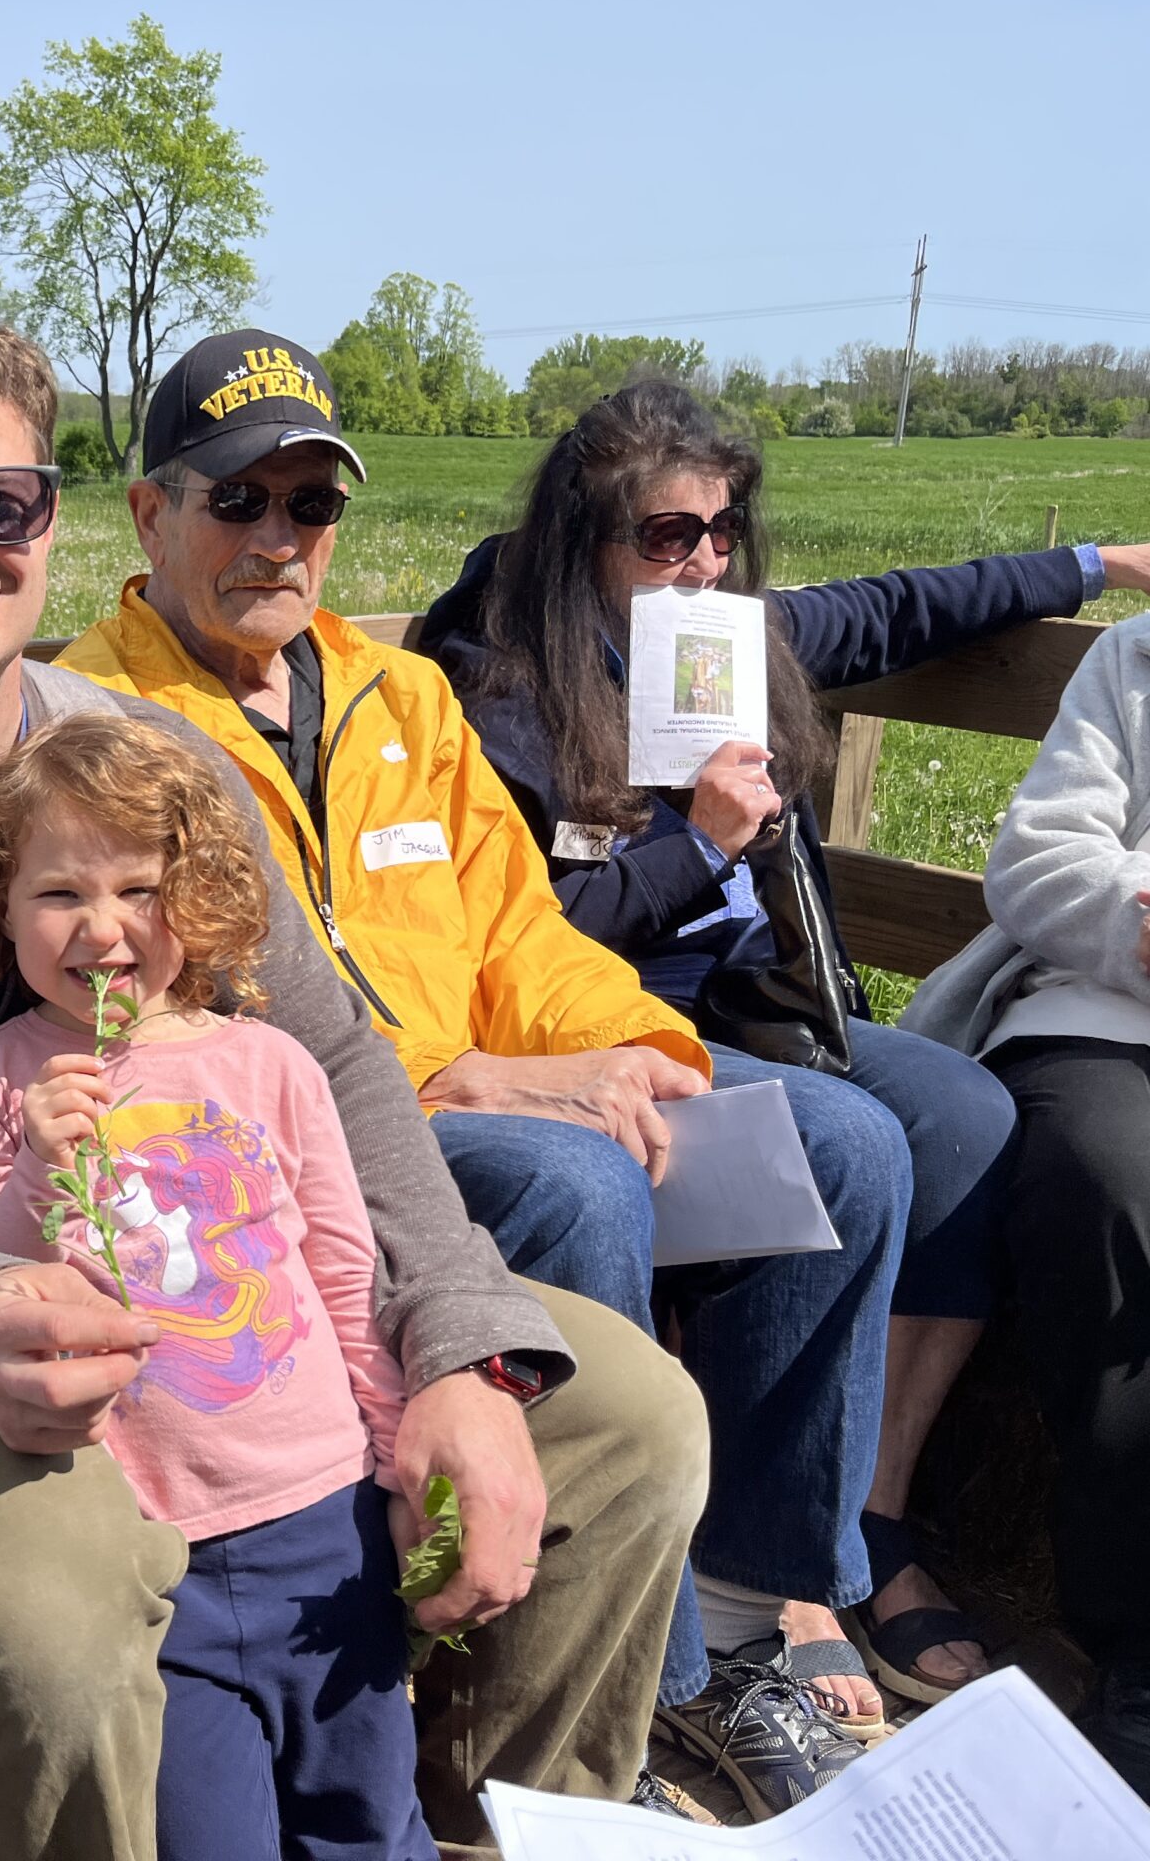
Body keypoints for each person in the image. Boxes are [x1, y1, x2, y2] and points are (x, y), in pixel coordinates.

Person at [0, 293, 708, 1861]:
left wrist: (457, 1338)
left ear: (52, 520)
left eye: (2, 501)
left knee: (633, 1427)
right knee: (45, 1619)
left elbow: (331, 1066)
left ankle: (463, 1824)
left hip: (225, 1278)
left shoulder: (153, 774)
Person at [58, 331, 900, 1817]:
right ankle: (632, 1694)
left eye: (309, 507)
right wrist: (471, 1085)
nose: (278, 538)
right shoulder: (102, 726)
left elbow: (517, 928)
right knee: (577, 1180)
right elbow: (201, 1029)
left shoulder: (400, 702)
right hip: (317, 1151)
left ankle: (745, 1614)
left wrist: (645, 1052)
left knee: (849, 1147)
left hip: (484, 1084)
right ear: (149, 515)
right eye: (236, 501)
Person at [418, 377, 1150, 1714]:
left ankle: (866, 1516)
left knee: (969, 1120)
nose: (700, 557)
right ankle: (761, 1579)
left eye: (721, 530)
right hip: (606, 1020)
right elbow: (519, 927)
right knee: (850, 1151)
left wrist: (1090, 561)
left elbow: (897, 610)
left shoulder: (722, 638)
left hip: (769, 1008)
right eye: (665, 533)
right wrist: (697, 844)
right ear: (581, 532)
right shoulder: (497, 684)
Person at [0, 711, 434, 1861]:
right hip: (150, 1552)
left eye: (139, 890)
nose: (101, 929)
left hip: (324, 1521)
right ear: (1, 910)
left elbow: (344, 1268)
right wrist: (35, 1174)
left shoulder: (269, 1063)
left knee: (365, 1816)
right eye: (58, 895)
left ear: (195, 900)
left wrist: (394, 1452)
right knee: (209, 1836)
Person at [898, 606, 1150, 1792]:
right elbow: (1039, 865)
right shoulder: (1135, 661)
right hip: (1111, 1007)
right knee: (1107, 1193)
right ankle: (1139, 1646)